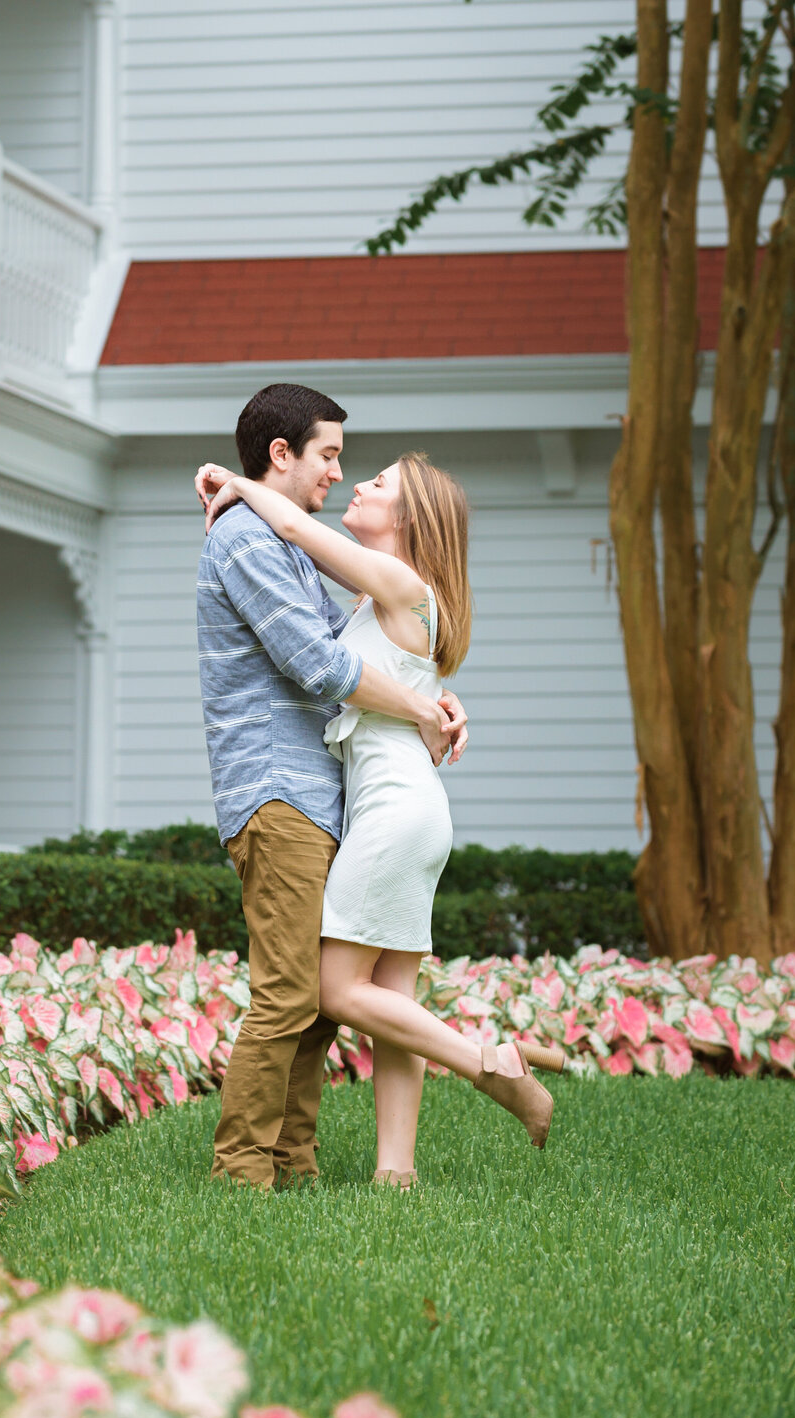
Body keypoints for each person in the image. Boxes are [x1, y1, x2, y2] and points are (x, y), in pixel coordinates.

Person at [202, 446, 556, 1185]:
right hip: (405, 810)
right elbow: (377, 673)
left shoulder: (399, 581)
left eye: (380, 482)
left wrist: (238, 484)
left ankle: (491, 1065)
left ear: (410, 516)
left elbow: (297, 533)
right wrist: (440, 706)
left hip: (395, 811)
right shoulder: (384, 598)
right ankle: (397, 1173)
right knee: (392, 999)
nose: (357, 483)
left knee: (334, 991)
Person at [195, 383, 470, 1192]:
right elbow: (321, 666)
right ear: (282, 454)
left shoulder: (291, 546)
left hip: (319, 794)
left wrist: (435, 695)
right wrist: (423, 704)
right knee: (288, 992)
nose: (338, 473)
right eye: (328, 455)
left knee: (315, 1005)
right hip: (275, 791)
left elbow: (361, 648)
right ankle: (241, 1172)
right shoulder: (247, 537)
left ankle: (294, 1163)